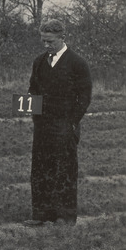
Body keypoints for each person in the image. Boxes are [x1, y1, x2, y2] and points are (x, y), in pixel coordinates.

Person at [23, 18, 92, 225]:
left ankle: (65, 216)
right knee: (41, 168)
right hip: (42, 126)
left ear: (62, 38)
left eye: (50, 41)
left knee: (65, 170)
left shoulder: (77, 63)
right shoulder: (39, 61)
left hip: (65, 126)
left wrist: (72, 122)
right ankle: (41, 215)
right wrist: (32, 113)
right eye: (43, 41)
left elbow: (85, 97)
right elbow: (33, 89)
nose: (46, 45)